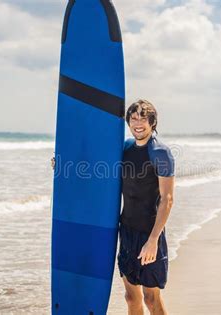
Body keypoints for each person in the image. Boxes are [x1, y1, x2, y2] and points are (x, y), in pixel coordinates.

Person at [51, 99, 175, 315]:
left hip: (149, 232)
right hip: (126, 230)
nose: (138, 123)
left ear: (152, 122)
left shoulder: (160, 153)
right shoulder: (126, 148)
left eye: (143, 118)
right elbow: (95, 163)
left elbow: (167, 199)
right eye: (133, 118)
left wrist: (153, 240)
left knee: (151, 298)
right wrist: (64, 163)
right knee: (130, 297)